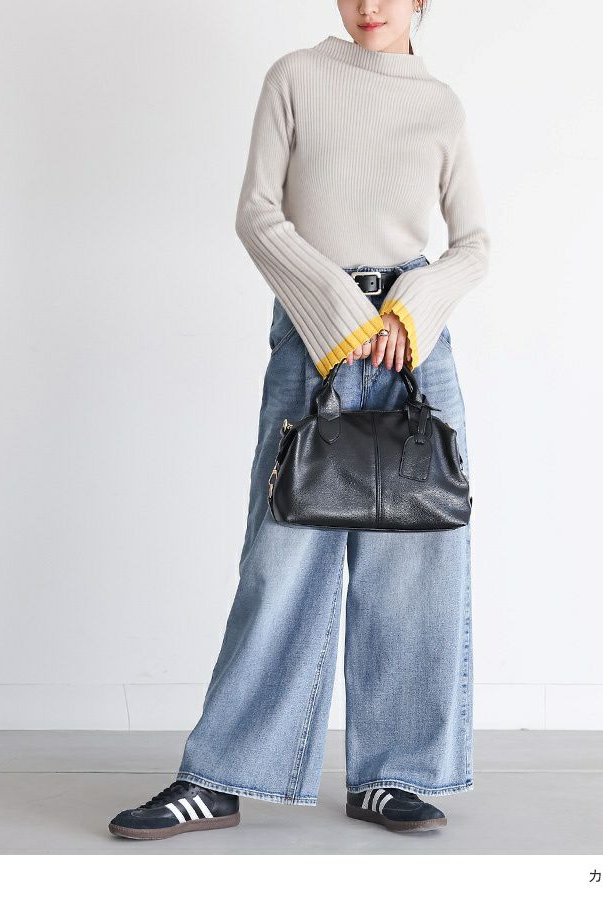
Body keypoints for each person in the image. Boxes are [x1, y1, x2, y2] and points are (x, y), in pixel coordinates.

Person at [109, 0, 490, 840]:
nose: (370, 4)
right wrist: (340, 315)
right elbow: (258, 214)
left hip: (414, 349)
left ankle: (393, 776)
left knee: (417, 567)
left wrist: (409, 311)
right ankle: (219, 779)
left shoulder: (440, 105)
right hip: (316, 340)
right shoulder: (297, 77)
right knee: (280, 563)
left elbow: (474, 245)